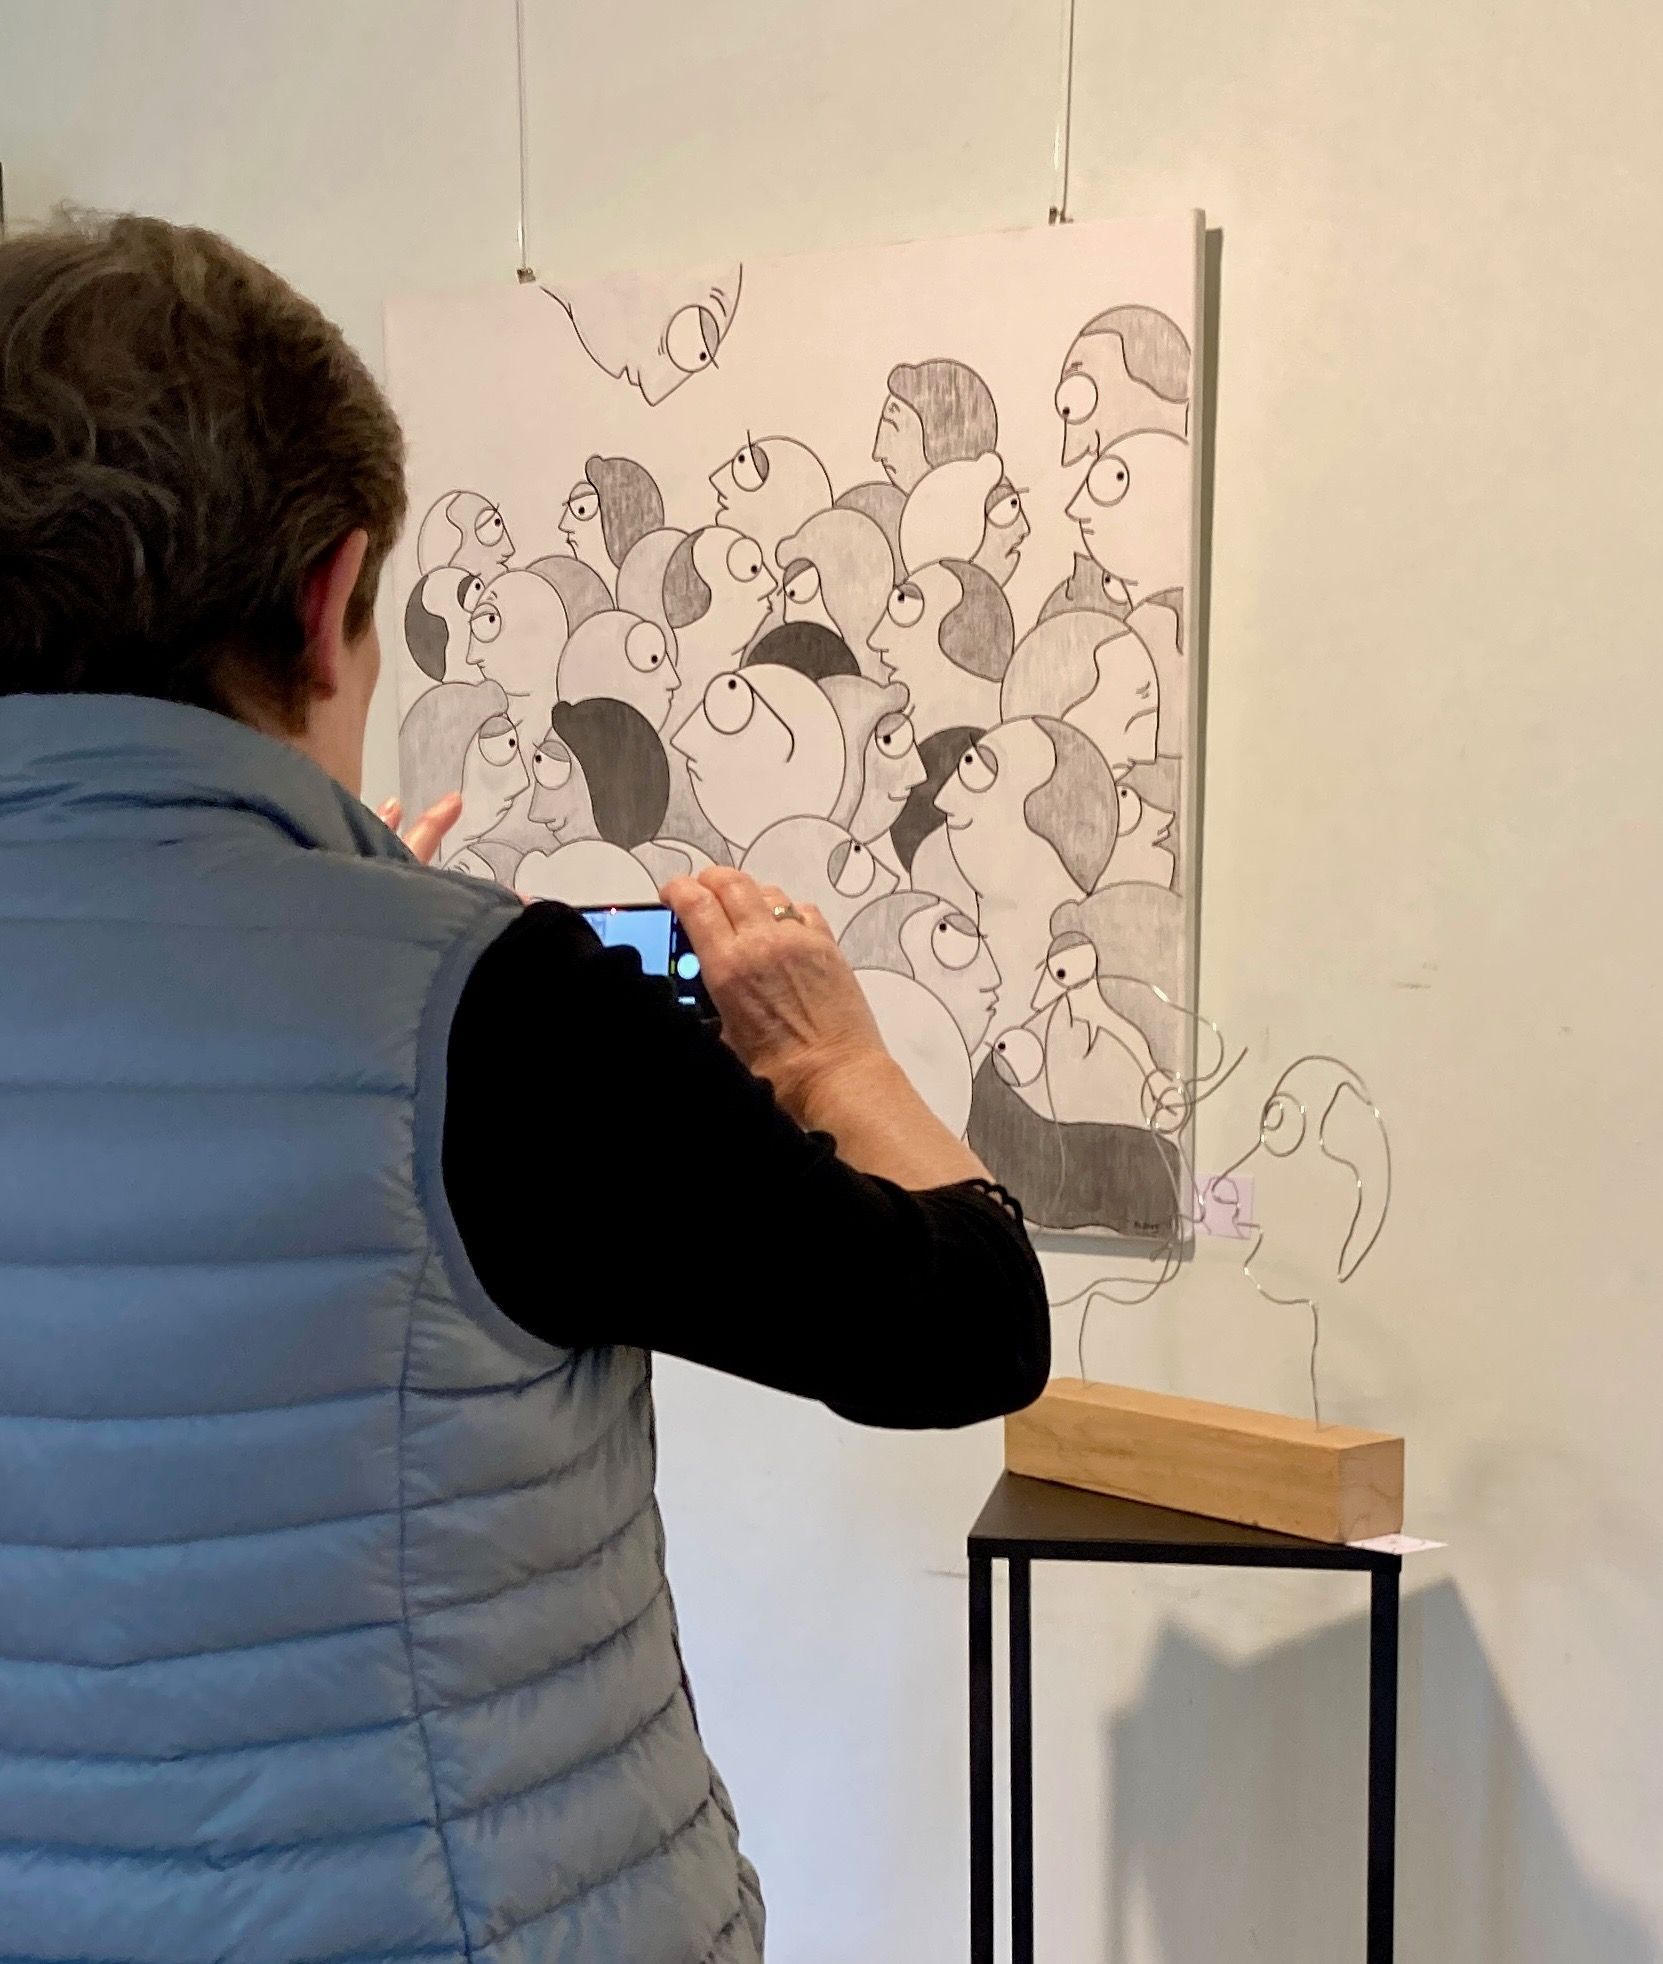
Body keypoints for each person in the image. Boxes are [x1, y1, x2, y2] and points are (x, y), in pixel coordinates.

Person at [0, 214, 1049, 1964]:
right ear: (331, 599)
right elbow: (959, 1332)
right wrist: (827, 1054)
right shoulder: (495, 1014)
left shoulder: (464, 1009)